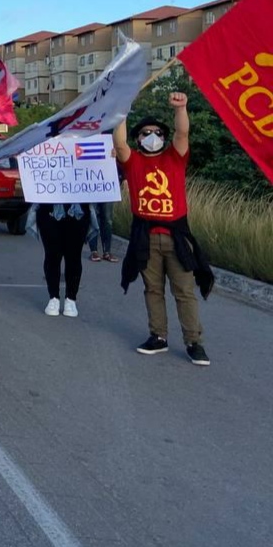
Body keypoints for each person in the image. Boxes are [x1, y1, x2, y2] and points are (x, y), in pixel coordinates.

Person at [116, 92, 215, 366]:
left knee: (184, 290)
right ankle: (158, 336)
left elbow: (182, 133)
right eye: (146, 133)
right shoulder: (133, 161)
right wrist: (121, 112)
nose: (152, 136)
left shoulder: (175, 157)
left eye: (157, 132)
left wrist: (181, 108)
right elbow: (119, 142)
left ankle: (194, 341)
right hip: (145, 237)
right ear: (139, 139)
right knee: (152, 289)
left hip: (176, 238)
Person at [36, 202, 92, 317]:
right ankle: (53, 297)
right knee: (52, 255)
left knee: (74, 256)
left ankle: (71, 299)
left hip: (78, 211)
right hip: (49, 209)